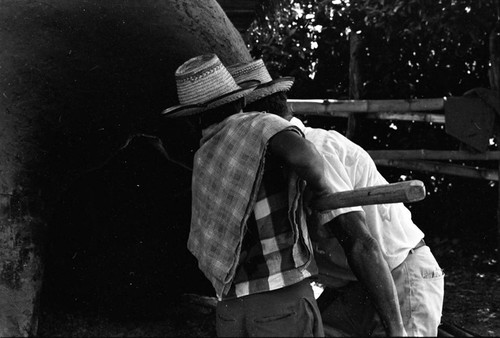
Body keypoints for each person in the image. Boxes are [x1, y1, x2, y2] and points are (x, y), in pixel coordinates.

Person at [228, 59, 444, 336]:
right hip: (360, 285)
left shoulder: (316, 152)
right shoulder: (279, 165)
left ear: (256, 123)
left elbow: (362, 244)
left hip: (400, 274)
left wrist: (396, 331)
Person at [162, 53, 336, 337]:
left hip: (231, 311)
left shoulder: (204, 155)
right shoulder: (257, 125)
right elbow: (307, 160)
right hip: (280, 304)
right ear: (240, 99)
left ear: (195, 118)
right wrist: (321, 193)